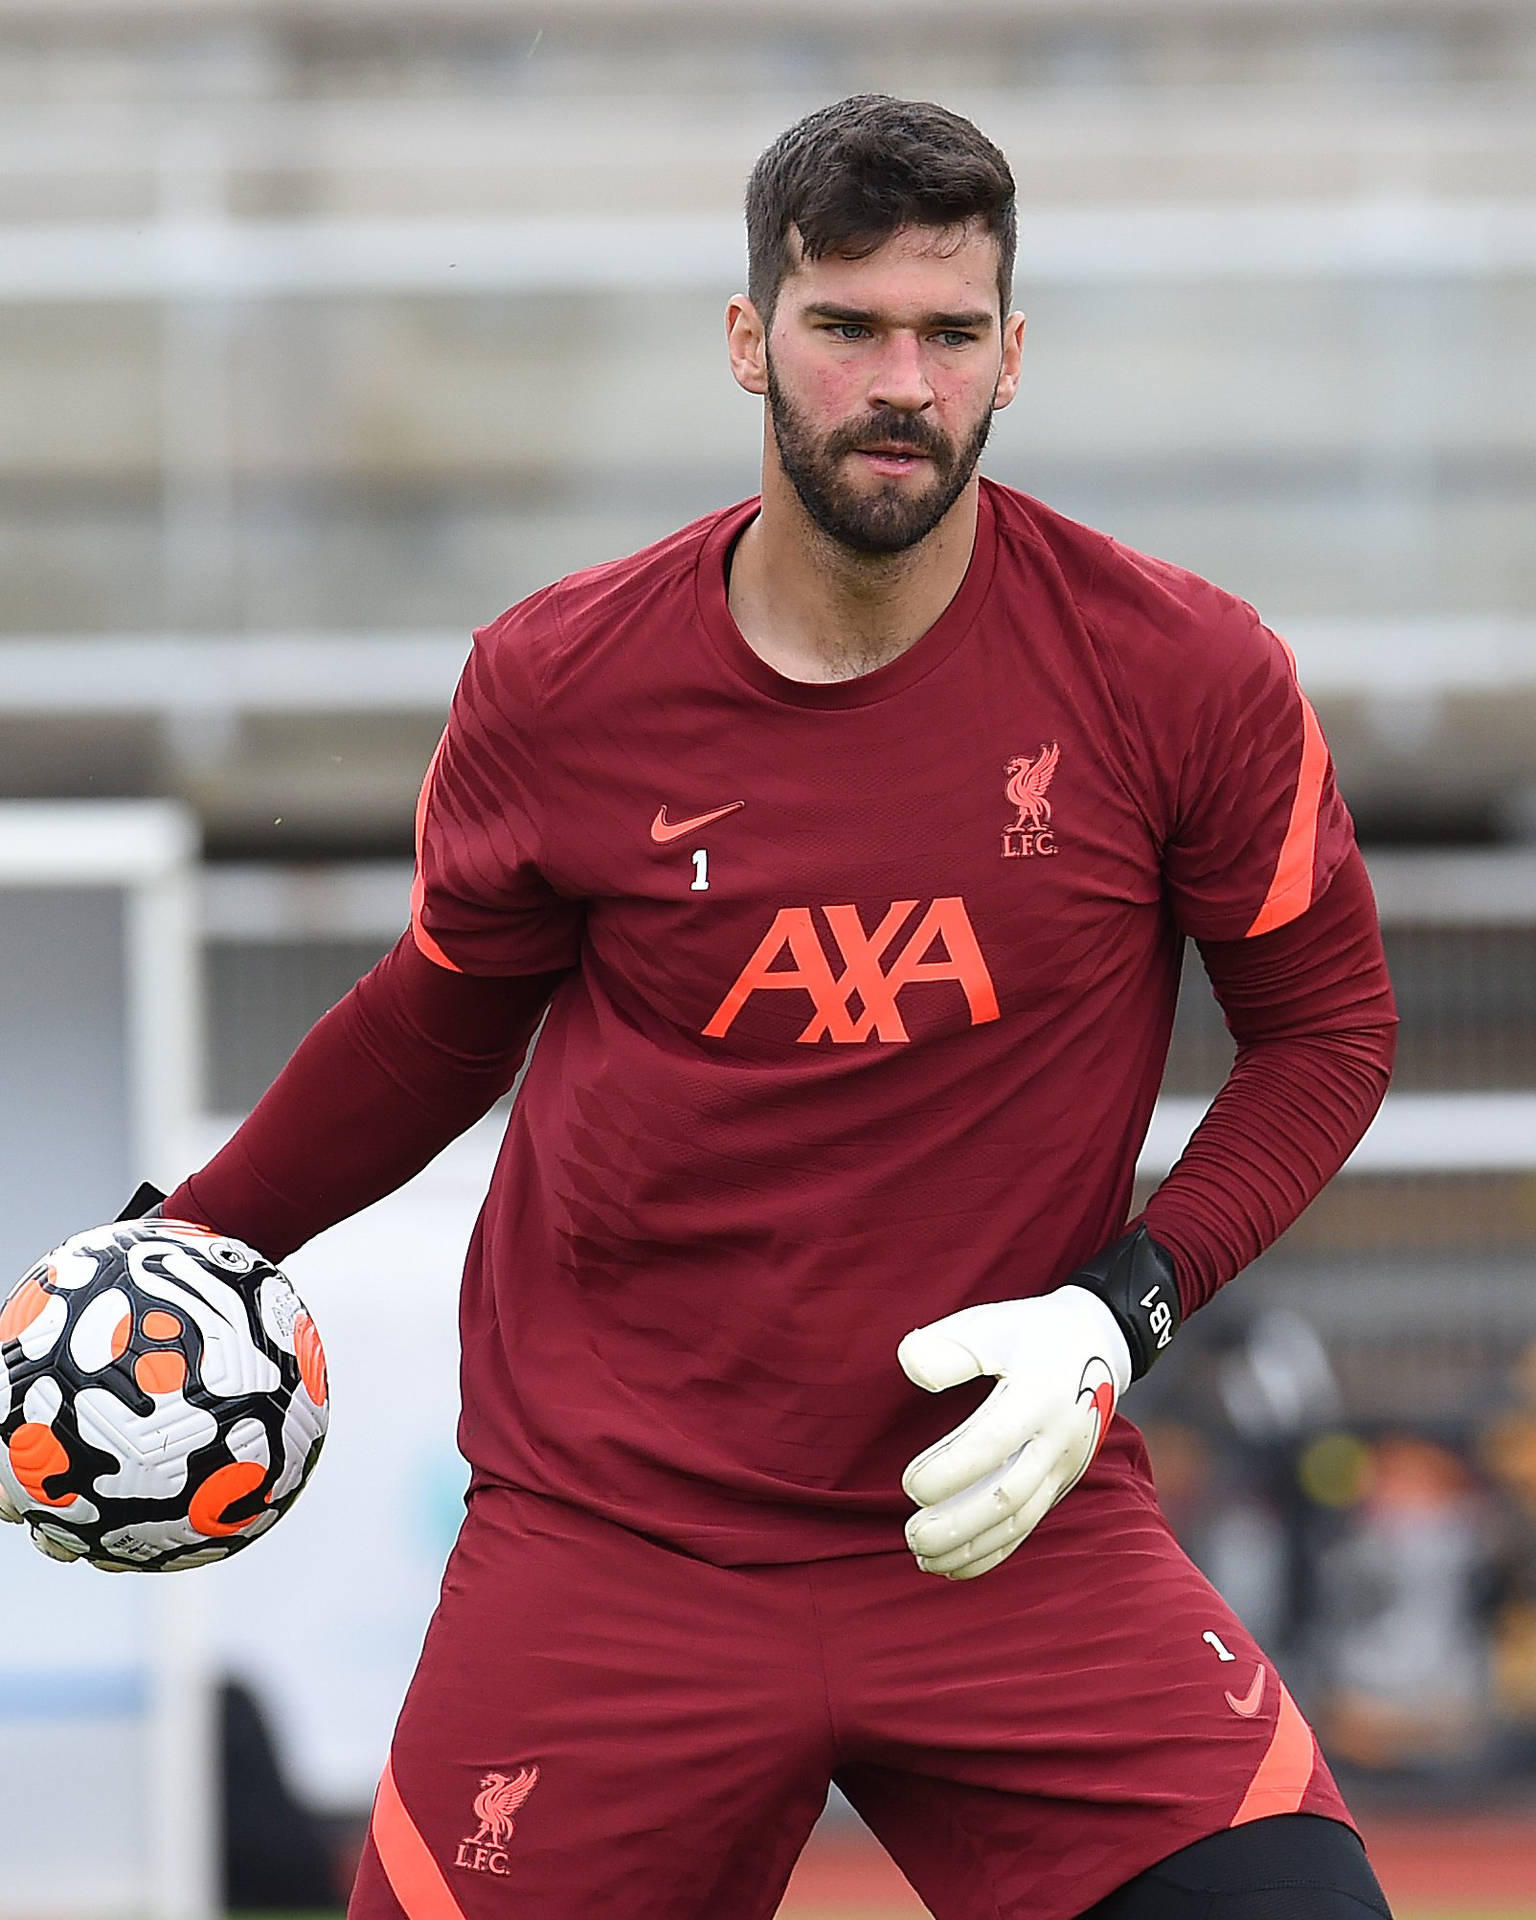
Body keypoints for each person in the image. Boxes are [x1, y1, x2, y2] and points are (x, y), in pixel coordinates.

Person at [159, 96, 1398, 1918]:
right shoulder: (559, 680)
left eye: (949, 335)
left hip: (1007, 1529)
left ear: (1009, 358)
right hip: (614, 1546)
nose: (901, 381)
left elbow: (1331, 1034)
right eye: (847, 328)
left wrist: (1120, 1311)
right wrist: (186, 1245)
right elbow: (440, 1018)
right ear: (751, 341)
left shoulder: (1183, 674)